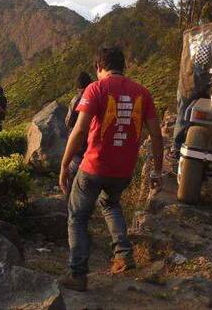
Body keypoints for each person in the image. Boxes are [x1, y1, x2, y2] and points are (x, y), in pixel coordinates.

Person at [58, 47, 164, 291]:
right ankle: (124, 254)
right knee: (110, 204)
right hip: (123, 171)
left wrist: (64, 163)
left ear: (98, 67)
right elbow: (157, 137)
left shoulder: (95, 88)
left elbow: (80, 129)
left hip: (93, 167)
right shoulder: (143, 93)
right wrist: (156, 172)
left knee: (77, 217)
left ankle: (77, 274)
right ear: (123, 66)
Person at [64, 71, 94, 194]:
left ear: (78, 87)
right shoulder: (98, 97)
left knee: (72, 185)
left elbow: (68, 122)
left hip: (78, 149)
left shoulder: (76, 100)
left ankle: (70, 208)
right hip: (93, 148)